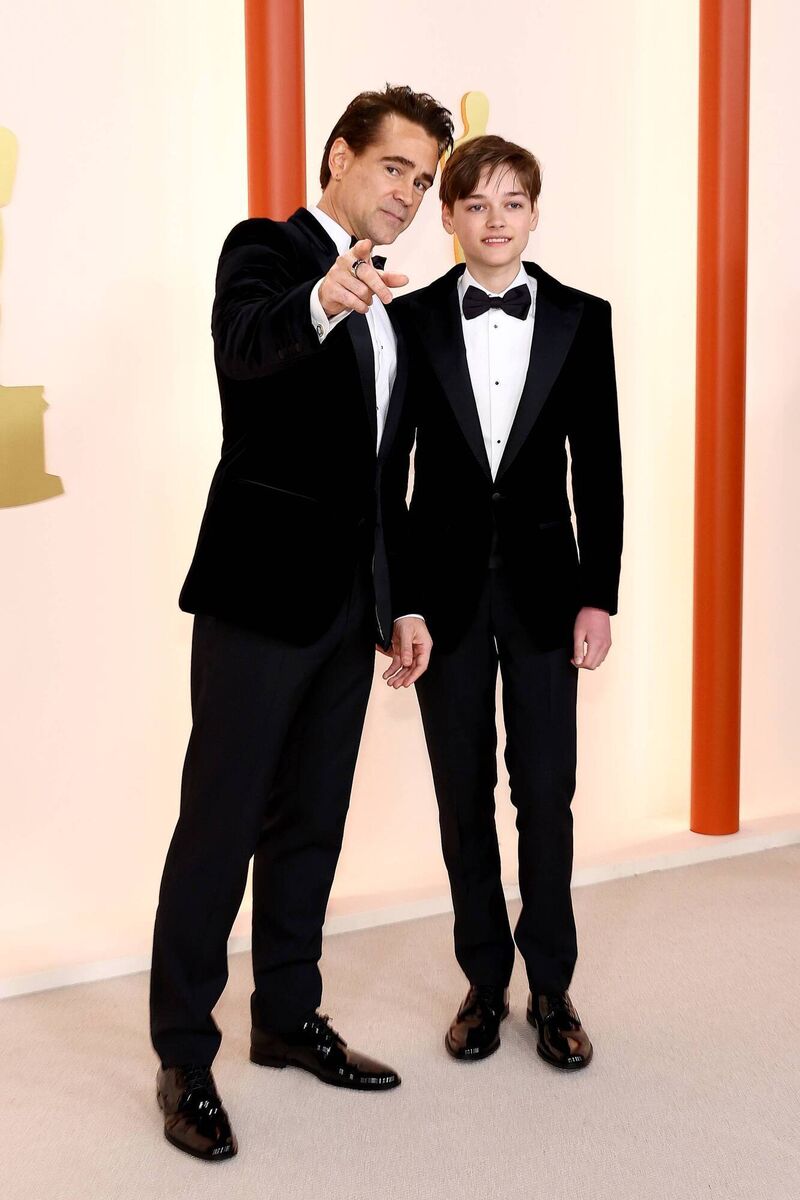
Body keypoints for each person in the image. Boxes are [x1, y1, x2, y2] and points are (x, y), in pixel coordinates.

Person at [150, 85, 452, 1161]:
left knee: (311, 824)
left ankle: (285, 1018)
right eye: (393, 169)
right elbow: (245, 349)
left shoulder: (401, 305)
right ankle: (185, 1052)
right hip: (256, 593)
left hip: (346, 610)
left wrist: (400, 598)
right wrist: (319, 301)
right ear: (338, 156)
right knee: (218, 827)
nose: (408, 195)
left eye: (422, 182)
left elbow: (384, 476)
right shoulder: (269, 252)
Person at [385, 134, 623, 1072]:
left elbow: (598, 469)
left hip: (543, 592)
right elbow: (388, 474)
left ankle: (552, 986)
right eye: (474, 204)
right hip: (439, 602)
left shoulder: (582, 317)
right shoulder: (409, 322)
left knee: (547, 796)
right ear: (447, 218)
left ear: (535, 212)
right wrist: (398, 601)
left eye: (510, 203)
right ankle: (483, 982)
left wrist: (598, 596)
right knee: (460, 795)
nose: (493, 221)